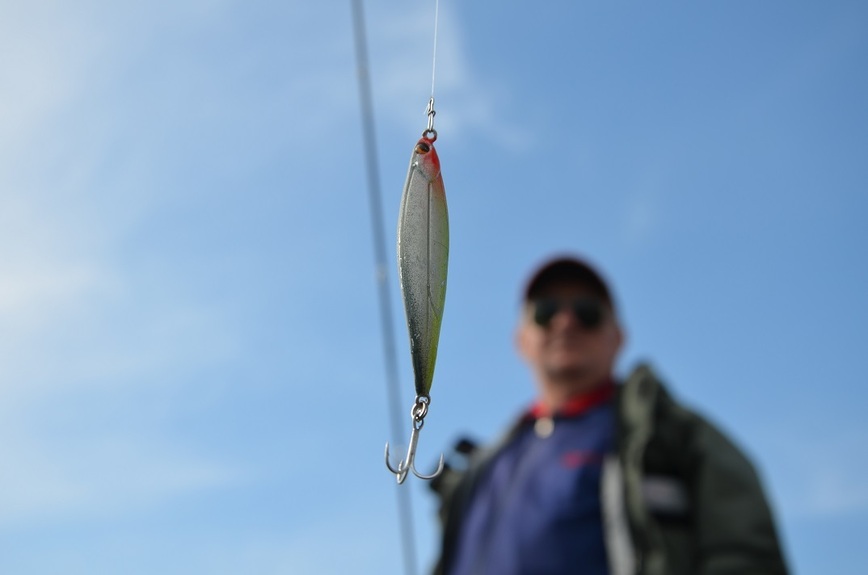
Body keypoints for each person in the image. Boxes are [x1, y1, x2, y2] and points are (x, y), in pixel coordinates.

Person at [429, 255, 789, 575]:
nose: (565, 322)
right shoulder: (483, 467)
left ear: (617, 337)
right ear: (521, 340)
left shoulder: (672, 436)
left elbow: (745, 555)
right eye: (545, 312)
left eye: (587, 313)